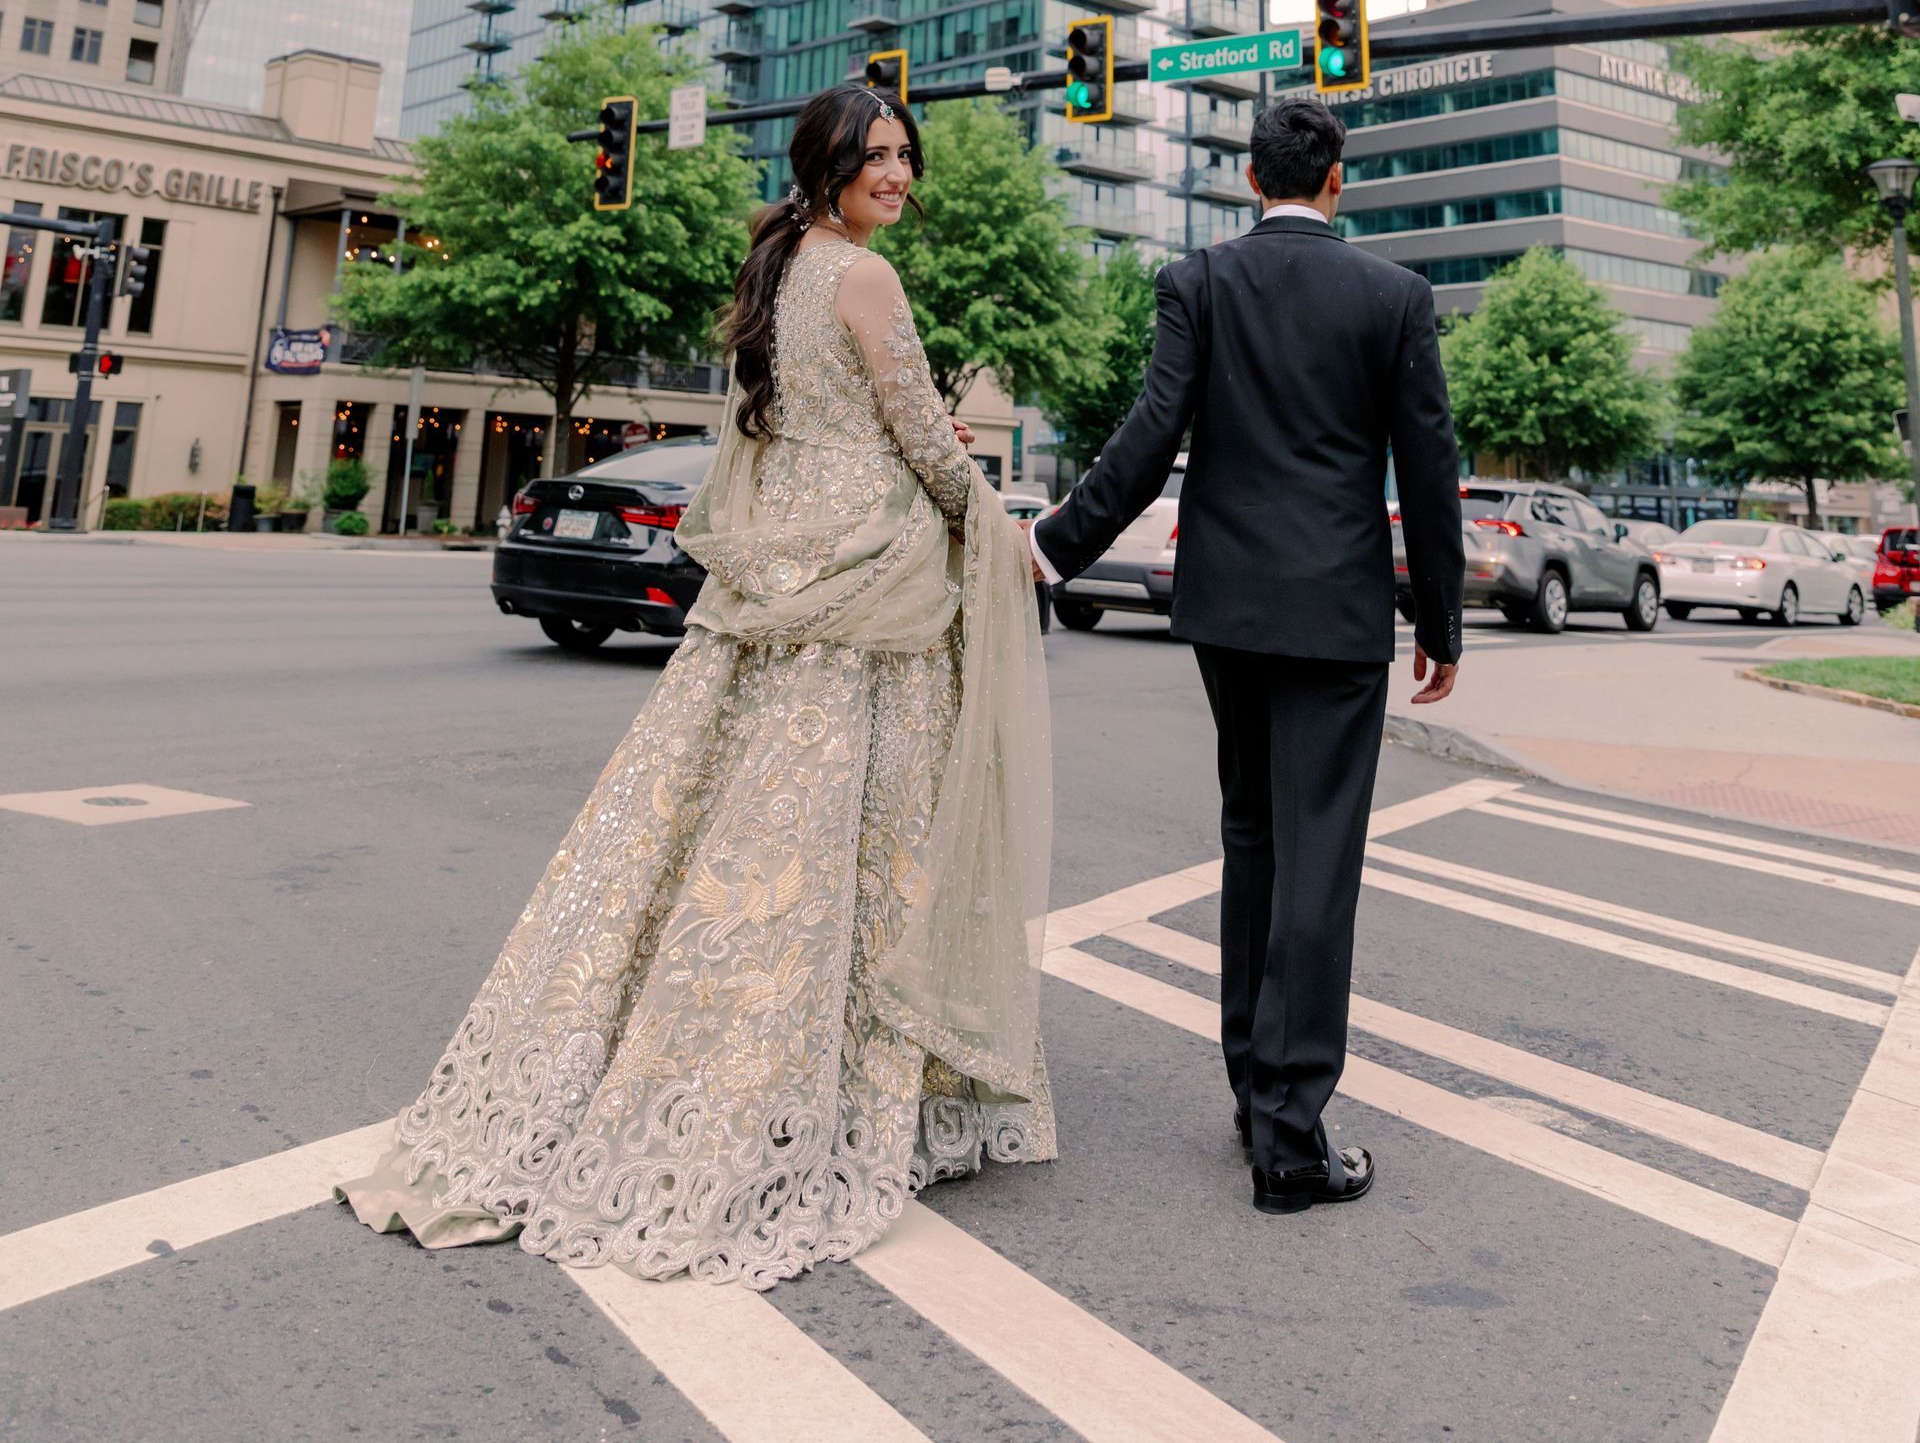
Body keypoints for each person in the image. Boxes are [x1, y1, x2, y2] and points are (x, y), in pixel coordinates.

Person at [340, 83, 1053, 1290]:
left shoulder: (781, 272)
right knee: (850, 835)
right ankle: (806, 1080)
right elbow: (923, 439)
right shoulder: (867, 280)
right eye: (875, 156)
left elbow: (776, 431)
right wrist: (991, 524)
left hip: (787, 570)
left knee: (723, 821)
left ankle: (671, 1050)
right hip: (867, 577)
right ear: (825, 166)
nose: (898, 174)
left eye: (904, 155)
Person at [1031, 93, 1462, 1217]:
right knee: (1317, 859)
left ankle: (1250, 1091)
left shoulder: (1199, 282)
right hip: (1335, 615)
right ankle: (1289, 1137)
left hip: (1227, 610)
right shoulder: (1395, 297)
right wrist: (1443, 621)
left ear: (1250, 178)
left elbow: (1149, 433)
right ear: (1335, 180)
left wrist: (1055, 545)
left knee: (1254, 841)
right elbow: (1426, 470)